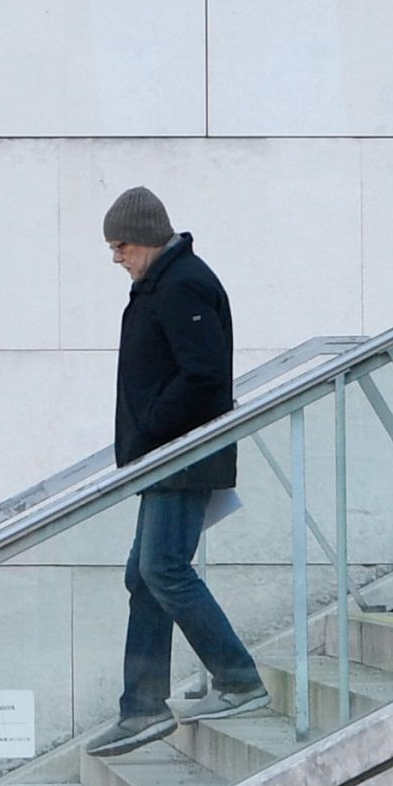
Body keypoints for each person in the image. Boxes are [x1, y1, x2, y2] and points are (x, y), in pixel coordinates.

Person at [86, 188, 269, 755]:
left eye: (120, 245)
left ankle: (238, 679)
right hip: (165, 455)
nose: (115, 256)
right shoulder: (159, 284)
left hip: (182, 455)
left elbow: (203, 373)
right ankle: (141, 707)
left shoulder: (183, 283)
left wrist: (153, 431)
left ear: (145, 238)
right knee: (145, 574)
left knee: (162, 567)